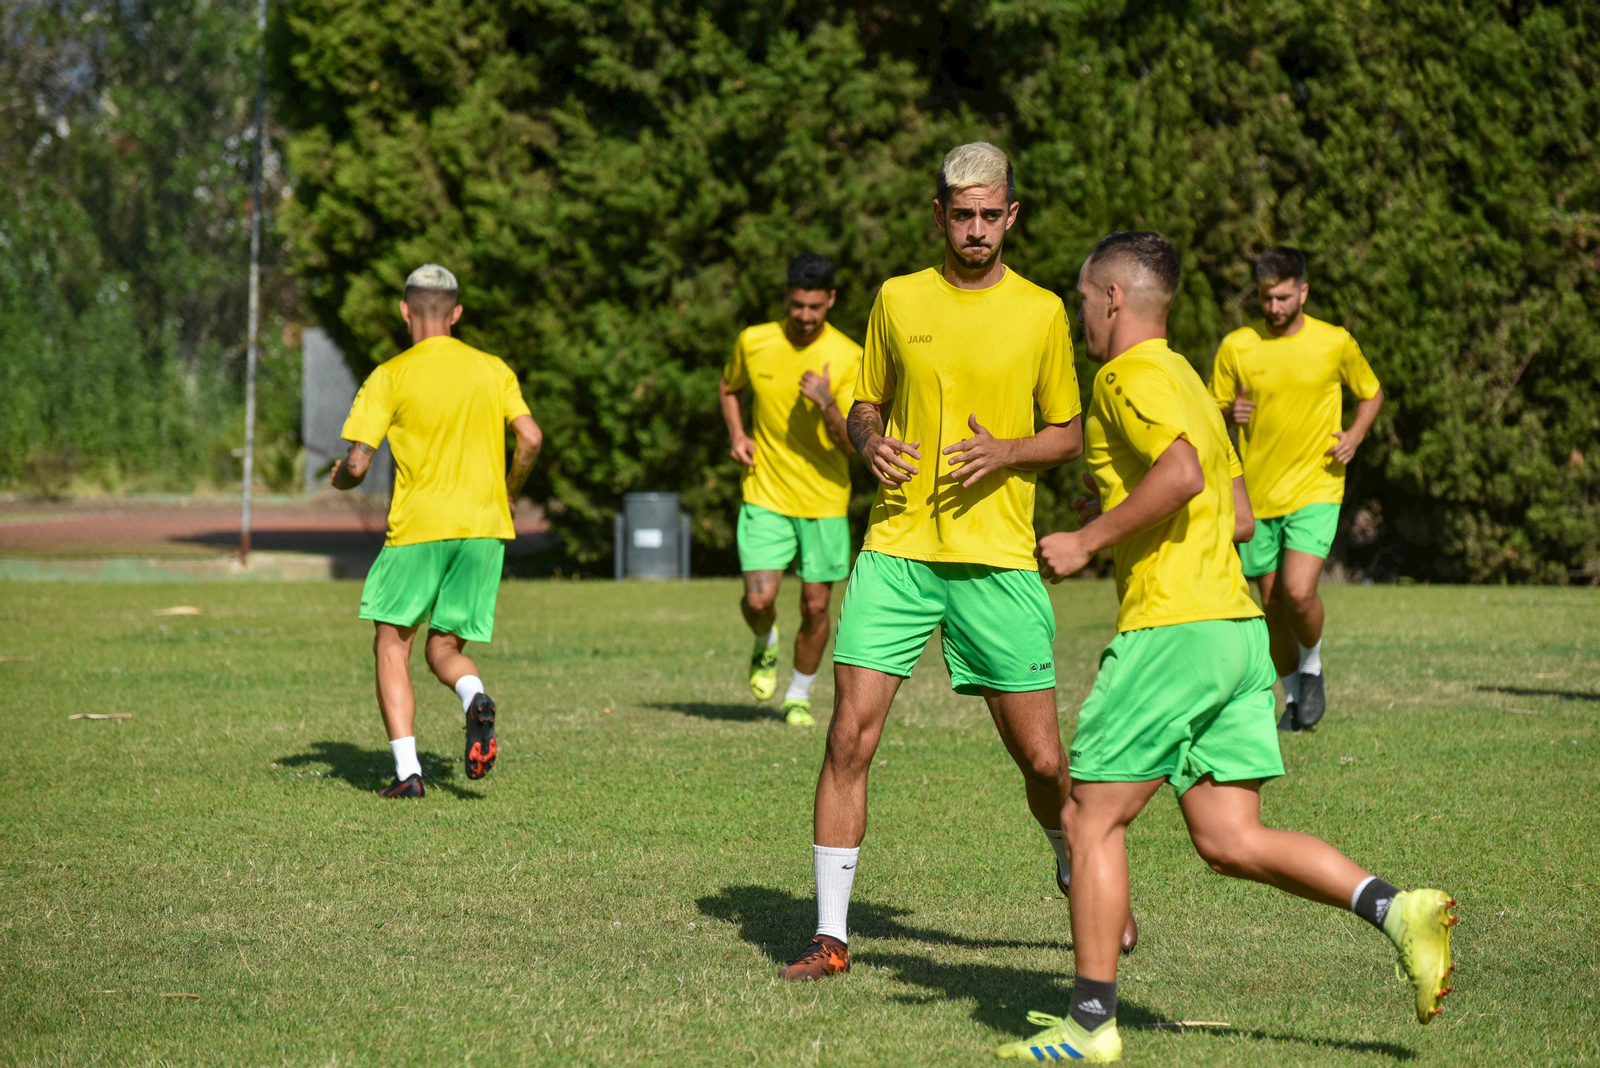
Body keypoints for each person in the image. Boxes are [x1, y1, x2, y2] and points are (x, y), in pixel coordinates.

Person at [1005, 232, 1453, 1062]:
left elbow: (1178, 474)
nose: (1078, 316)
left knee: (1089, 816)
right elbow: (1238, 515)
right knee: (1228, 837)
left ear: (1112, 298)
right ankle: (1398, 909)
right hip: (1239, 634)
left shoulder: (1125, 375)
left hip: (1173, 631)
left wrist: (1088, 539)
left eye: (1080, 298)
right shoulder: (1188, 378)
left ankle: (1092, 1025)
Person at [778, 143, 1136, 982]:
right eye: (961, 214)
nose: (975, 230)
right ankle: (831, 936)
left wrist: (1006, 450)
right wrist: (868, 443)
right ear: (939, 215)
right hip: (897, 550)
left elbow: (1069, 433)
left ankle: (1070, 861)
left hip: (998, 561)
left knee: (1045, 763)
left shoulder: (1045, 311)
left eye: (990, 215)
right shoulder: (897, 300)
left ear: (1011, 216)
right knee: (846, 737)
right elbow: (865, 401)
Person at [330, 264, 542, 798]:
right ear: (457, 313)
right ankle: (474, 699)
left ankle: (408, 774)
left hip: (421, 528)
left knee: (392, 645)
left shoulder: (391, 374)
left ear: (405, 310)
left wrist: (340, 478)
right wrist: (510, 491)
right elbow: (531, 439)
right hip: (484, 527)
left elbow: (356, 466)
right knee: (444, 648)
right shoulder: (493, 369)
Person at [1209, 247, 1384, 731]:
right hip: (1256, 496)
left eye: (1284, 297)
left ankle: (1312, 667)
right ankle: (1292, 700)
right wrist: (1228, 415)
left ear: (1303, 291)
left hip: (1316, 486)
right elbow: (1208, 414)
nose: (1275, 307)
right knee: (1272, 607)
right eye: (1267, 297)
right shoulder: (1237, 347)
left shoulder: (1335, 342)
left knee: (1299, 591)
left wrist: (1354, 435)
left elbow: (1372, 392)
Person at [719, 252, 862, 727]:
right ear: (787, 297)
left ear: (831, 301)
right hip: (765, 494)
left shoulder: (849, 357)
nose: (804, 316)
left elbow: (852, 445)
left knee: (816, 605)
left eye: (815, 307)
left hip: (823, 502)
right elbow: (728, 386)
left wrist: (826, 403)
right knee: (758, 600)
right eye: (798, 304)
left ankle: (798, 694)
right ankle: (765, 643)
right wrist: (738, 434)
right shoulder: (754, 341)